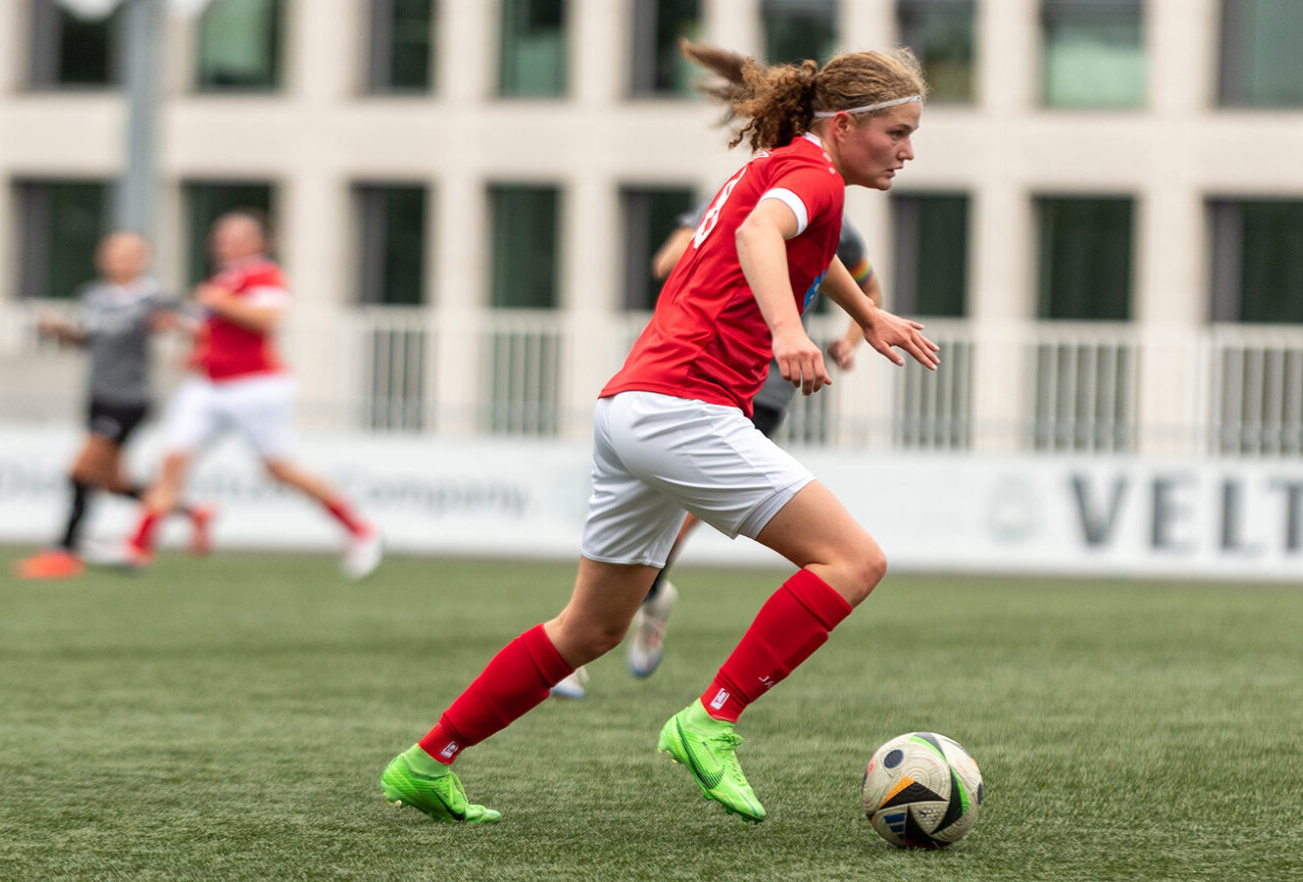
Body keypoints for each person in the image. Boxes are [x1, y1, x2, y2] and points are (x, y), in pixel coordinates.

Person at [380, 42, 935, 825]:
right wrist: (787, 331)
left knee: (592, 626)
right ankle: (711, 718)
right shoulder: (810, 177)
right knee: (853, 560)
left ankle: (425, 761)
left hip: (632, 408)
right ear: (844, 124)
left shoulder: (789, 167)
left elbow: (797, 245)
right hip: (685, 407)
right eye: (897, 132)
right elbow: (758, 241)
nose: (908, 151)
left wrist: (866, 312)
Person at [551, 159, 887, 698]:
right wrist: (724, 244)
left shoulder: (828, 210)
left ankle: (637, 613)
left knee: (686, 510)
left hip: (767, 378)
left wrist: (854, 332)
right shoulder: (733, 197)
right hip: (692, 373)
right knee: (658, 514)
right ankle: (613, 619)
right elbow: (668, 262)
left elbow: (866, 281)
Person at [120, 211, 382, 580]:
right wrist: (186, 331)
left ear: (262, 243)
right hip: (209, 385)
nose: (228, 243)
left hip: (255, 386)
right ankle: (137, 547)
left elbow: (267, 320)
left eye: (239, 236)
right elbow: (217, 332)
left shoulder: (264, 275)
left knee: (279, 468)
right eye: (223, 236)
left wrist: (217, 301)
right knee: (173, 462)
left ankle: (359, 530)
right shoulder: (225, 280)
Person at [15, 232, 213, 580]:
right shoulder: (93, 296)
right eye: (112, 252)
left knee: (79, 472)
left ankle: (65, 551)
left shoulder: (152, 299)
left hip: (128, 400)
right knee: (111, 482)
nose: (118, 259)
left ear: (143, 259)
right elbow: (90, 341)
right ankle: (191, 511)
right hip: (97, 396)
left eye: (128, 253)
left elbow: (195, 328)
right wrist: (61, 331)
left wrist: (181, 333)